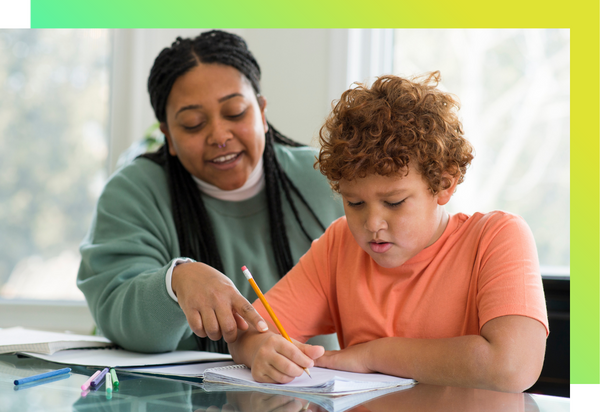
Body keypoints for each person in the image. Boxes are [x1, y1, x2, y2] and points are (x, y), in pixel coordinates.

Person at [228, 72, 549, 393]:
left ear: (444, 184)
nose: (372, 224)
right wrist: (260, 349)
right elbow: (249, 332)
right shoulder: (340, 244)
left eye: (394, 202)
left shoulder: (497, 237)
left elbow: (513, 367)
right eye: (354, 202)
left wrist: (372, 354)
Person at [77, 30, 344, 353]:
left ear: (261, 112)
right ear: (168, 137)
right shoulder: (133, 192)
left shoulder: (328, 177)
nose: (219, 135)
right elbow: (118, 314)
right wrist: (175, 282)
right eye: (192, 123)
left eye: (235, 113)